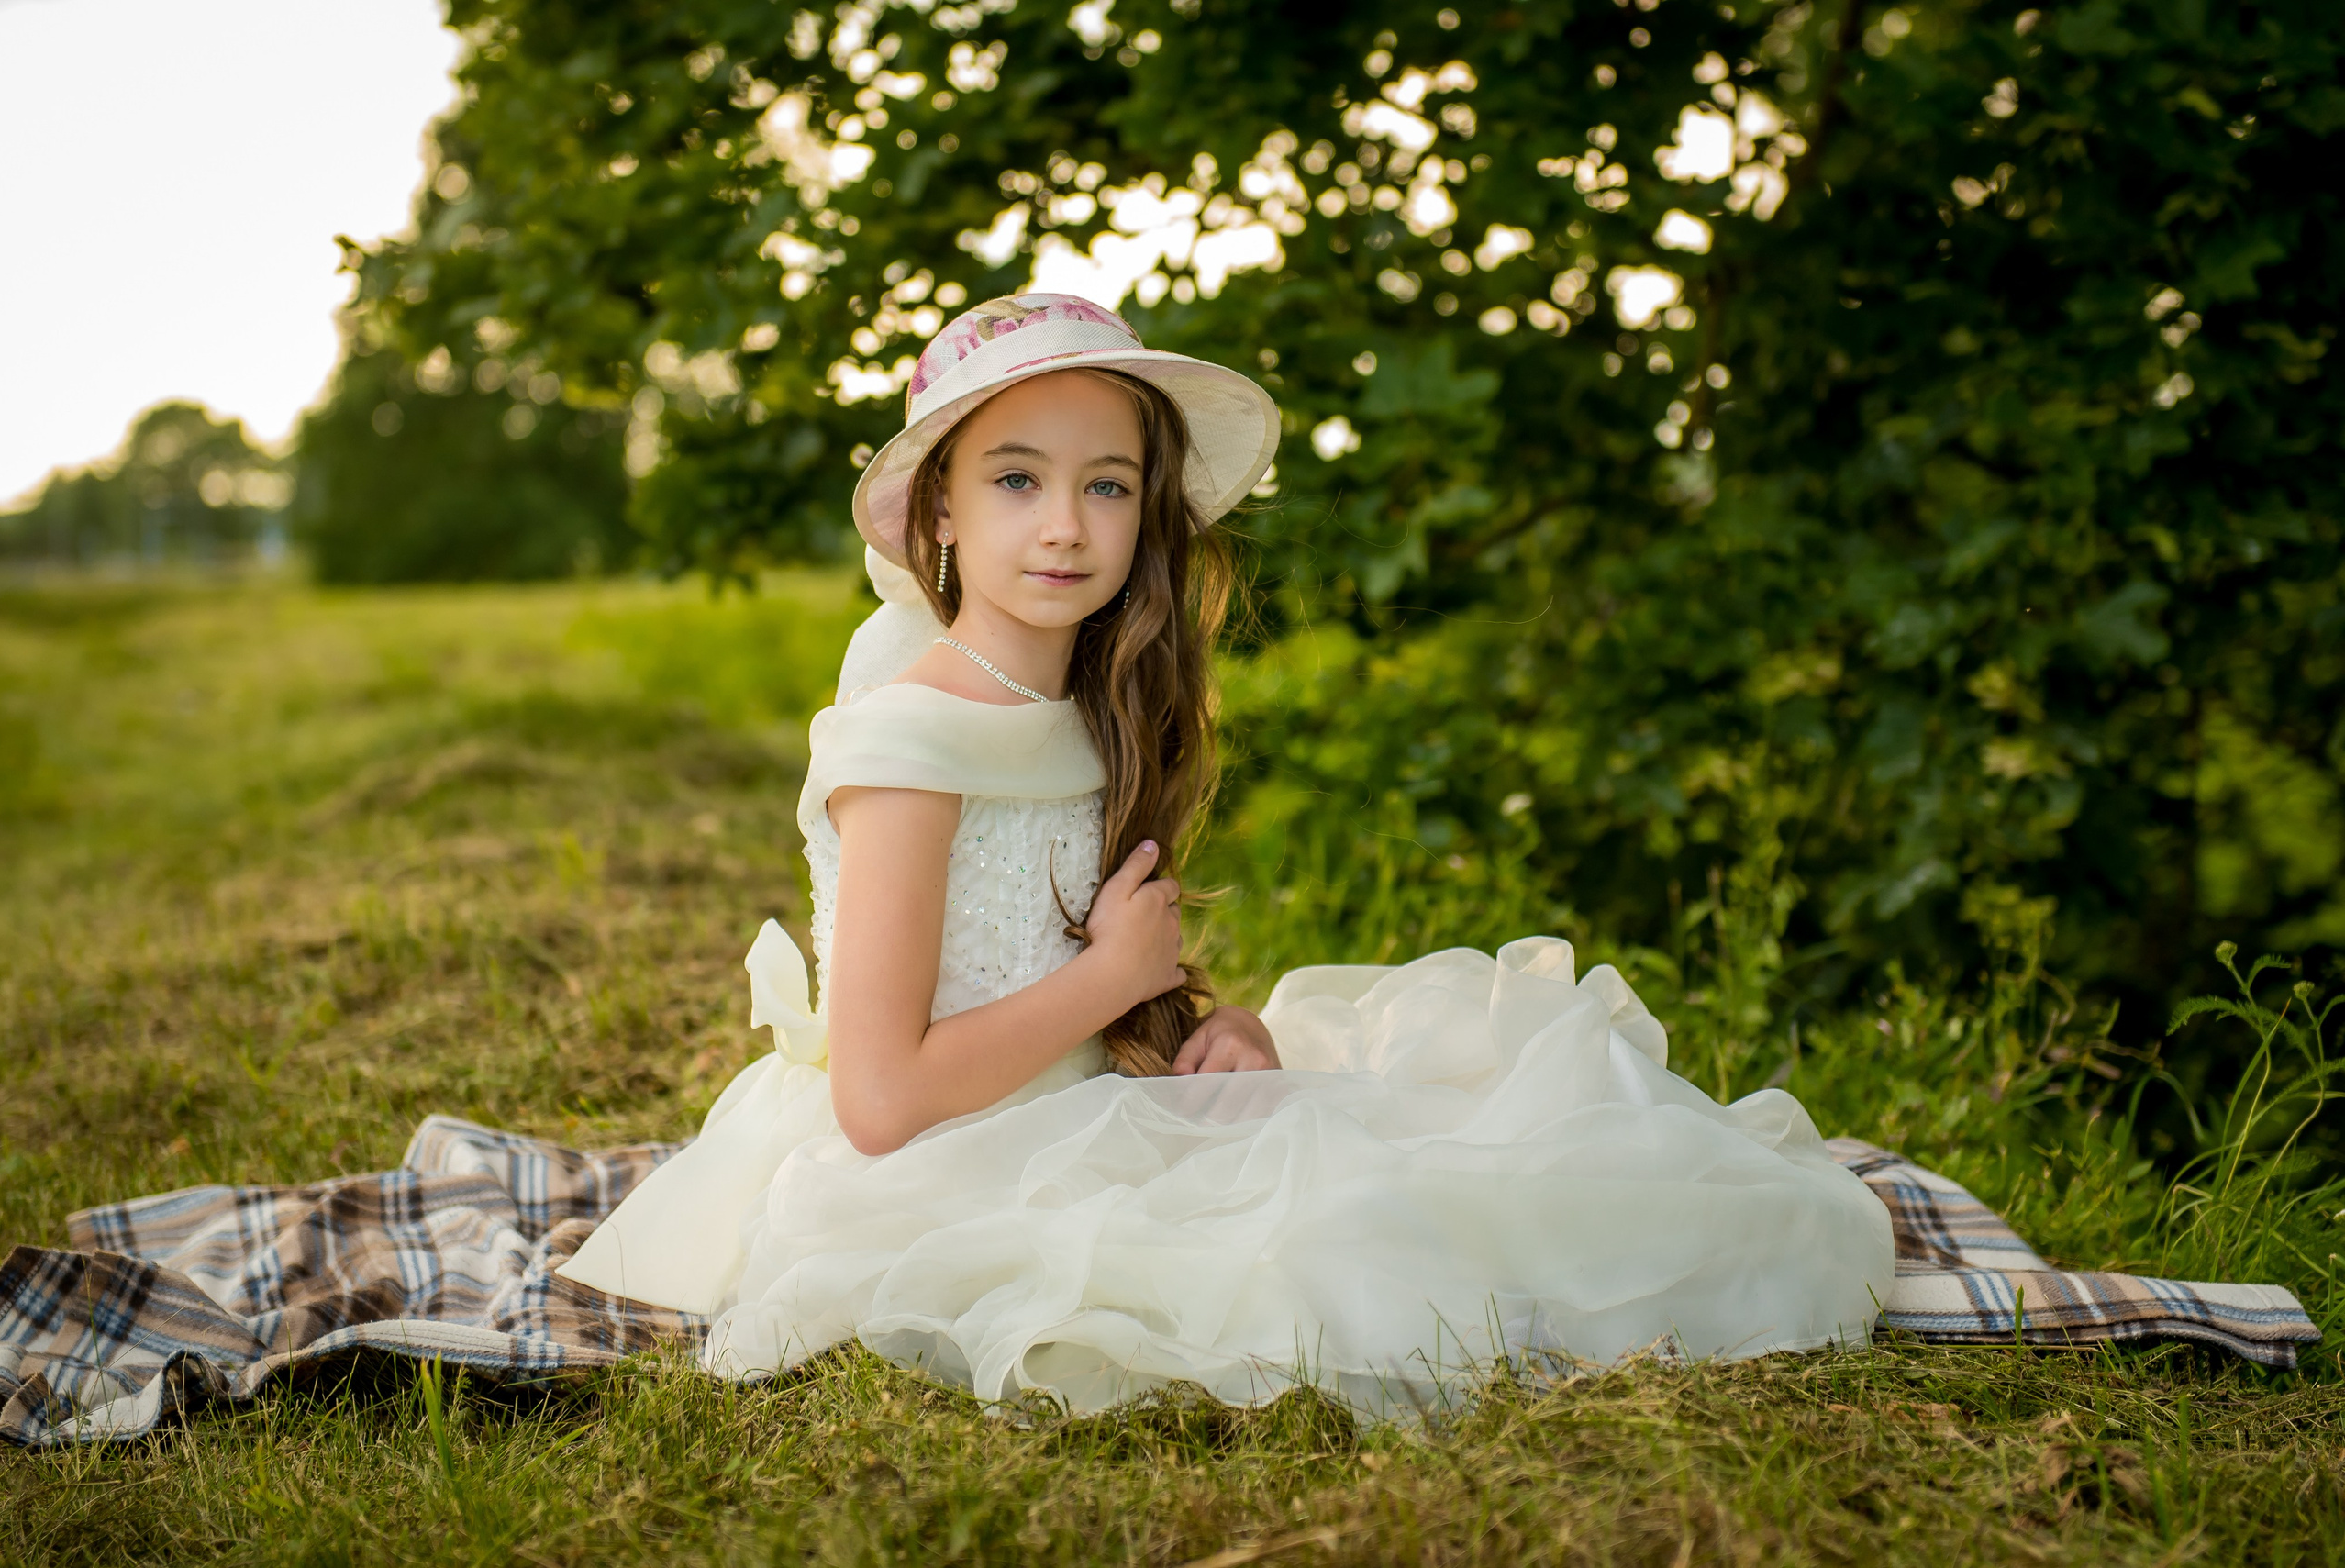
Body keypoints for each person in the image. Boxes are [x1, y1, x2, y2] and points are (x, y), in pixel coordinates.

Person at [557, 293, 1894, 1417]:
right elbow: (881, 1099)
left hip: (1084, 1106)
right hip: (942, 1168)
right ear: (941, 513)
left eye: (1107, 485)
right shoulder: (911, 741)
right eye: (1016, 479)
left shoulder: (1086, 705)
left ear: (1147, 515)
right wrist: (1107, 982)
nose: (1065, 524)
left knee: (1468, 1141)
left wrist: (1204, 1022)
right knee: (1344, 1244)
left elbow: (1078, 956)